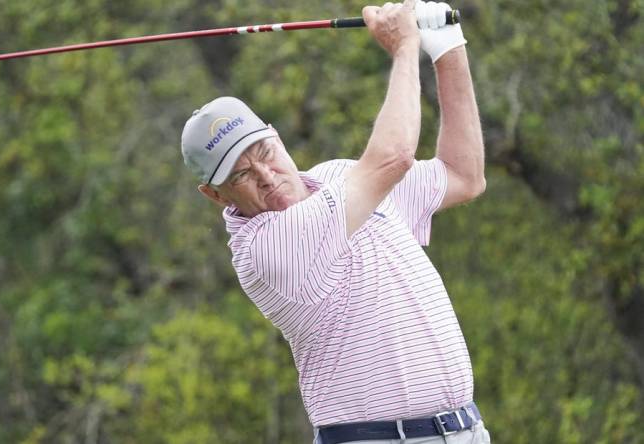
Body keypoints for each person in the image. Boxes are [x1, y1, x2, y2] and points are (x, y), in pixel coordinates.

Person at [180, 1, 487, 443]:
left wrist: (447, 49)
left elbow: (464, 176)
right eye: (241, 175)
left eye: (264, 153)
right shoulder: (267, 248)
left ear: (277, 137)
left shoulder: (340, 177)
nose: (266, 177)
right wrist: (404, 48)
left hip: (465, 430)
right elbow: (394, 157)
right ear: (214, 195)